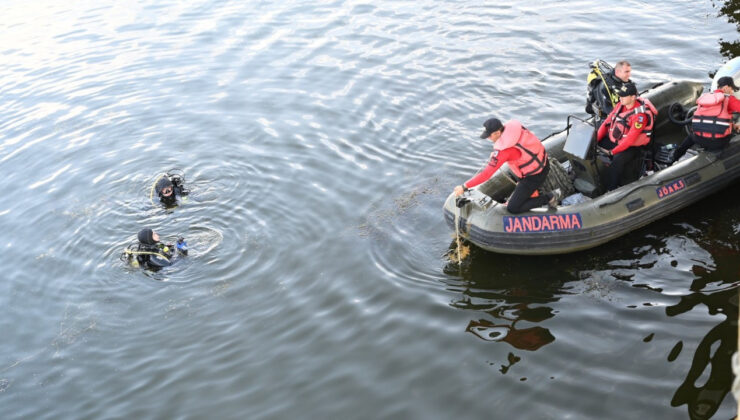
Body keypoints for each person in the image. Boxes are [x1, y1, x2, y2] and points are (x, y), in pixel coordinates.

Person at [454, 118, 559, 213]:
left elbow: (486, 174)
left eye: (489, 136)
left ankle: (549, 197)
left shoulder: (504, 152)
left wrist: (464, 187)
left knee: (513, 208)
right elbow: (518, 154)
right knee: (523, 189)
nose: (488, 138)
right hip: (543, 163)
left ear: (498, 132)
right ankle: (532, 192)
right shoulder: (516, 133)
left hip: (534, 175)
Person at [596, 82, 658, 191]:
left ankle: (611, 189)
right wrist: (595, 141)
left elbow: (630, 140)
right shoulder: (621, 105)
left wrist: (613, 152)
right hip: (617, 141)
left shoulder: (640, 116)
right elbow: (607, 122)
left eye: (623, 96)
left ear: (633, 97)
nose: (620, 98)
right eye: (620, 95)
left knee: (617, 160)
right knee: (595, 147)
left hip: (633, 147)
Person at [671, 76, 740, 163]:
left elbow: (711, 119)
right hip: (717, 143)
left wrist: (733, 126)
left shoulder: (705, 98)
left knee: (691, 137)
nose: (732, 92)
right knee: (734, 136)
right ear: (726, 88)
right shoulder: (729, 98)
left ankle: (674, 157)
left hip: (698, 139)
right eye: (731, 89)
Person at [586, 60, 633, 124]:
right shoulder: (605, 87)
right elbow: (608, 110)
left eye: (629, 72)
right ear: (618, 72)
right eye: (626, 72)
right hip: (604, 118)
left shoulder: (620, 82)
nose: (629, 75)